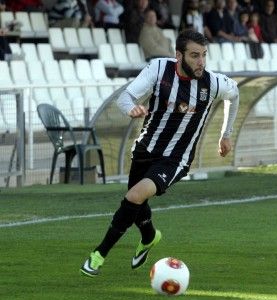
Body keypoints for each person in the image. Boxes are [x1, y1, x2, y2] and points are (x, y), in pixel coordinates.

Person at [80, 30, 240, 277]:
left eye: (204, 55)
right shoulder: (159, 70)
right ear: (179, 55)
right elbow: (126, 97)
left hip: (176, 158)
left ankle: (98, 255)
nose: (201, 62)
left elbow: (235, 93)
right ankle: (149, 236)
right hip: (145, 149)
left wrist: (226, 134)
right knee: (135, 203)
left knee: (134, 195)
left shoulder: (212, 82)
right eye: (195, 56)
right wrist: (131, 108)